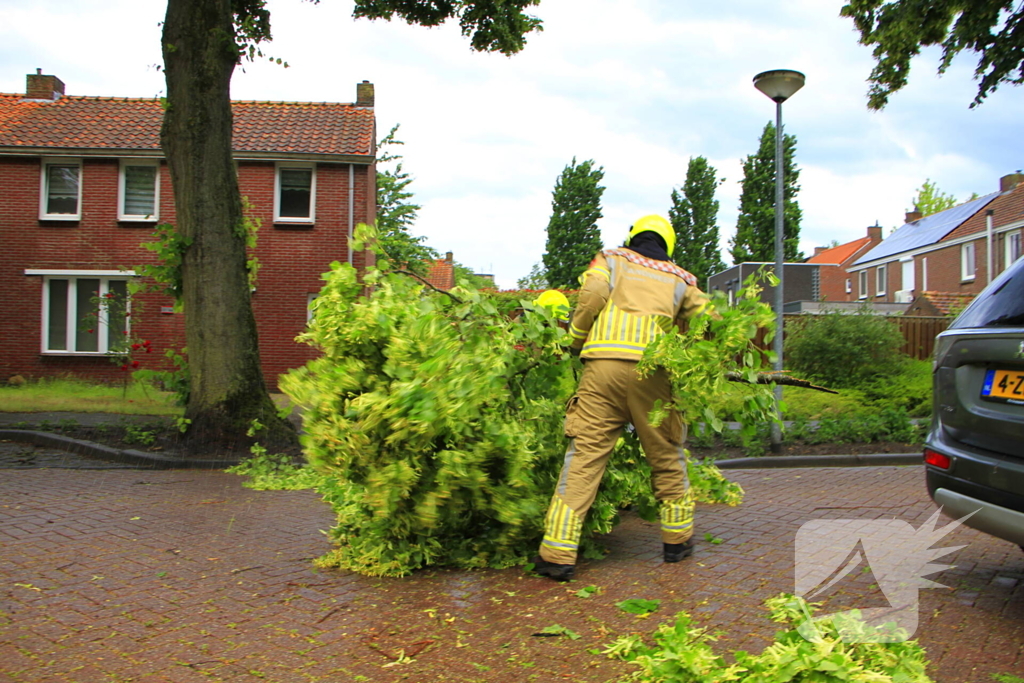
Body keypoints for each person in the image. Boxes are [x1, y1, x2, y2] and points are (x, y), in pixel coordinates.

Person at [531, 214, 711, 581]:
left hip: (602, 371)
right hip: (654, 374)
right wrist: (694, 359)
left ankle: (557, 554)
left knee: (583, 458)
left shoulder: (610, 259)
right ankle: (677, 542)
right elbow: (709, 322)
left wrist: (575, 340)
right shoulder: (683, 279)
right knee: (666, 455)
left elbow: (593, 295)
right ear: (669, 245)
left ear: (633, 235)